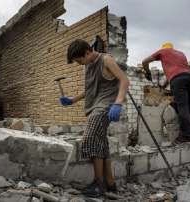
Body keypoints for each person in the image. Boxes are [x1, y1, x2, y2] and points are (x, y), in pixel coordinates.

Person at [60, 39, 130, 197]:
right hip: (94, 107)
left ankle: (99, 184)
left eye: (79, 60)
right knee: (101, 143)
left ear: (87, 52)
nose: (79, 64)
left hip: (106, 106)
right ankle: (110, 183)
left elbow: (124, 80)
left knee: (90, 138)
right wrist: (72, 100)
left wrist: (118, 103)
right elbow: (90, 89)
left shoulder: (106, 59)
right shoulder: (88, 65)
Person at [142, 42, 190, 144]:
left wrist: (147, 72)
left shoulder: (163, 51)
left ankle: (189, 137)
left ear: (164, 48)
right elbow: (177, 72)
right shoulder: (180, 54)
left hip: (178, 81)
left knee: (183, 107)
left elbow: (144, 61)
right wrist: (163, 86)